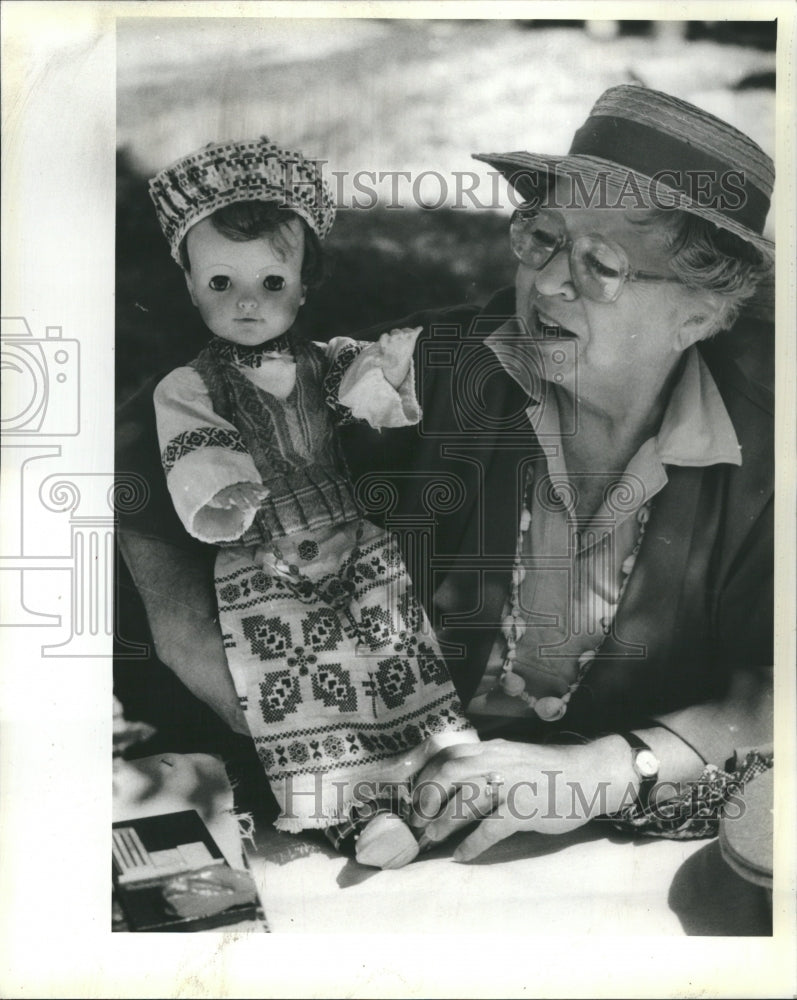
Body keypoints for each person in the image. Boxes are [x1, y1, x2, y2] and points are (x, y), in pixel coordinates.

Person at [117, 86, 774, 868]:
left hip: (599, 861)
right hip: (371, 829)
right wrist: (187, 632)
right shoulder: (448, 368)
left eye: (601, 264)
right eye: (542, 238)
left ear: (699, 313)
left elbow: (773, 687)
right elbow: (149, 441)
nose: (550, 283)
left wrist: (608, 767)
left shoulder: (765, 442)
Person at [145, 136, 477, 869]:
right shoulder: (192, 385)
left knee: (392, 657)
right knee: (305, 686)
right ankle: (355, 816)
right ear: (191, 287)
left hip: (354, 545)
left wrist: (382, 376)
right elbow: (193, 451)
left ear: (303, 286)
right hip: (263, 558)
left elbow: (375, 405)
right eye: (220, 282)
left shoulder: (322, 363)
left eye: (270, 282)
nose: (245, 302)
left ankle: (435, 773)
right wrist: (225, 488)